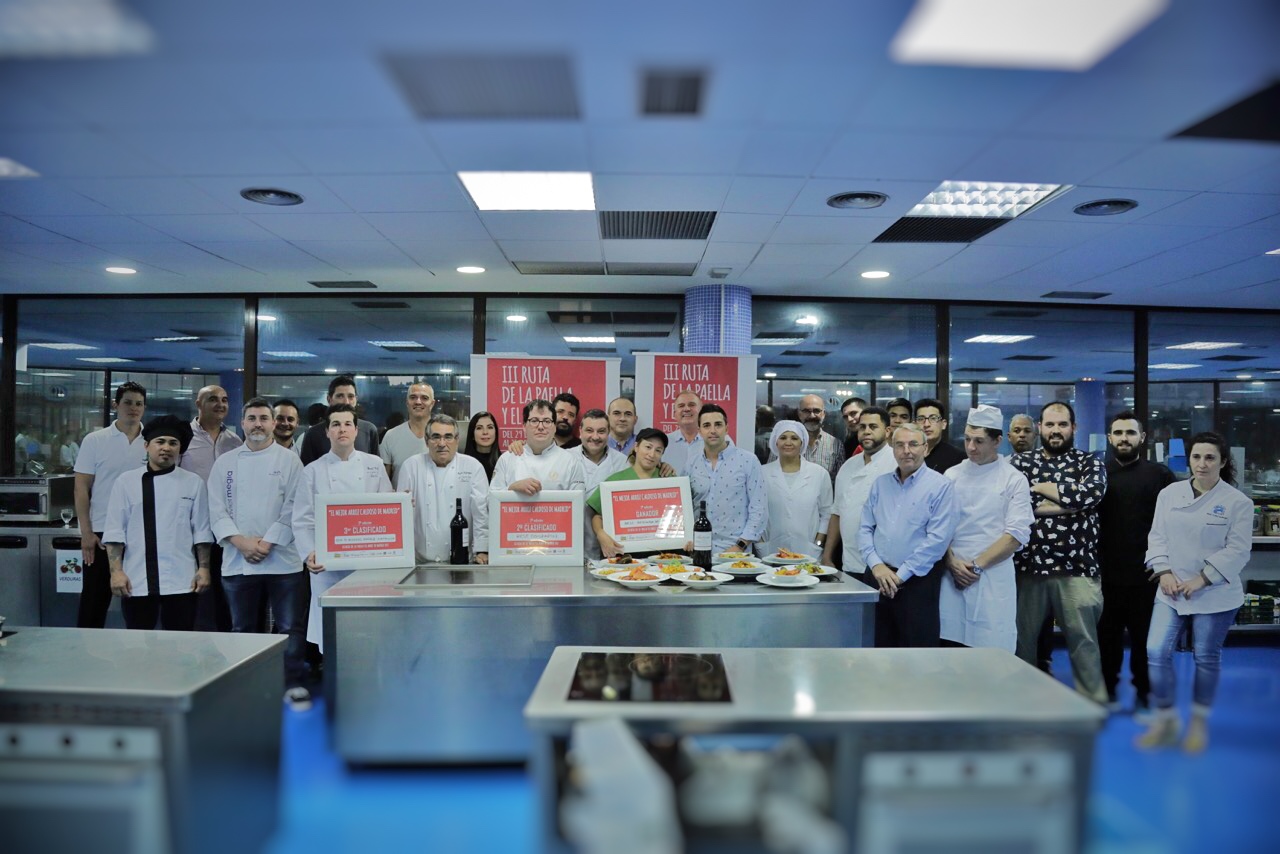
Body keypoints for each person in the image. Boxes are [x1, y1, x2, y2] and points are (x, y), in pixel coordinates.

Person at [1138, 431, 1252, 753]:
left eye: (1210, 457)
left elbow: (1238, 551)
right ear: (1188, 459)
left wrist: (1202, 579)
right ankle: (1166, 719)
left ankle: (1199, 723)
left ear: (1223, 461)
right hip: (1171, 589)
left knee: (1205, 657)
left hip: (1214, 594)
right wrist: (1163, 572)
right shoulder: (1169, 494)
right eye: (1196, 457)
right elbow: (1157, 537)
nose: (1202, 464)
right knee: (1155, 651)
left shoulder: (1238, 503)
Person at [207, 398, 308, 704]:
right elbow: (215, 509)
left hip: (283, 560)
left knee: (290, 627)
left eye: (264, 418)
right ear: (242, 423)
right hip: (238, 559)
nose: (258, 424)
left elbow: (296, 507)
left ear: (273, 423)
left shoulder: (290, 461)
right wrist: (241, 542)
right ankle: (246, 685)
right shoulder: (225, 463)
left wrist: (268, 542)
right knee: (243, 628)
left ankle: (291, 682)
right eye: (252, 418)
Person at [1010, 401, 1109, 704]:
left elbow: (1090, 494)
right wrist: (1069, 502)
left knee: (1084, 643)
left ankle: (1093, 704)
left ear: (1073, 428)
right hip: (1028, 568)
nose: (1056, 430)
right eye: (1050, 424)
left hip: (1077, 568)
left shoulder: (1089, 463)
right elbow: (1016, 504)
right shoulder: (1018, 463)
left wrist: (1041, 488)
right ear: (1040, 427)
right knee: (1022, 643)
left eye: (1062, 424)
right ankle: (1022, 704)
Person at [293, 404, 393, 654]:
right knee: (332, 634)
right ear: (327, 431)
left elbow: (387, 507)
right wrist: (309, 553)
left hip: (368, 565)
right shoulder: (312, 470)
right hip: (328, 566)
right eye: (336, 424)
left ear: (356, 430)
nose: (342, 429)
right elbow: (302, 519)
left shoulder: (374, 464)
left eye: (348, 424)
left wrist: (401, 503)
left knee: (368, 631)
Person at [103, 415, 213, 631]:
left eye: (173, 443)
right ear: (146, 446)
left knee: (181, 642)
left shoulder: (193, 483)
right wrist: (116, 572)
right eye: (160, 442)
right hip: (136, 579)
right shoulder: (126, 482)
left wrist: (204, 568)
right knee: (137, 643)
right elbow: (115, 531)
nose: (166, 448)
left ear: (180, 449)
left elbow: (201, 531)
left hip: (182, 579)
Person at [1098, 411, 1175, 716]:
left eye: (1130, 433)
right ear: (1109, 438)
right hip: (1105, 575)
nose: (1124, 438)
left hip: (1147, 576)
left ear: (1142, 438)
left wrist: (1165, 566)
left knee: (1144, 642)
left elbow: (1172, 523)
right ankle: (1107, 692)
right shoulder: (1098, 474)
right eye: (1118, 433)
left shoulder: (1160, 475)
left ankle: (1143, 695)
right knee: (1107, 641)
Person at [939, 405, 1033, 652]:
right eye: (967, 439)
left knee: (992, 653)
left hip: (992, 576)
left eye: (979, 441)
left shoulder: (1013, 479)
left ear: (997, 441)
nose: (971, 447)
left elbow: (1016, 535)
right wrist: (951, 562)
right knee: (950, 649)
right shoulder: (951, 475)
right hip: (952, 574)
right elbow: (938, 527)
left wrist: (976, 566)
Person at [859, 422, 957, 648]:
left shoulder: (941, 486)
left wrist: (899, 576)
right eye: (900, 445)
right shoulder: (880, 484)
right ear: (892, 449)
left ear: (925, 448)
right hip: (877, 577)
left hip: (916, 582)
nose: (906, 451)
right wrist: (876, 566)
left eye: (913, 444)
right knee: (876, 648)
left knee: (916, 651)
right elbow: (864, 528)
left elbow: (937, 541)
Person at [74, 381, 148, 628]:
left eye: (139, 404)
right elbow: (81, 488)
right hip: (101, 533)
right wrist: (86, 533)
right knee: (94, 602)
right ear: (116, 405)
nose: (133, 408)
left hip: (140, 533)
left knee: (138, 602)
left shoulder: (152, 441)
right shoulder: (96, 440)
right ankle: (85, 648)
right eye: (128, 402)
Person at [179, 384, 242, 633]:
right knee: (194, 592)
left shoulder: (235, 441)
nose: (220, 404)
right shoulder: (183, 437)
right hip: (191, 527)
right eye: (213, 399)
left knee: (224, 593)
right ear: (198, 404)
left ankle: (226, 641)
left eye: (224, 400)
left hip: (226, 528)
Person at [396, 414, 489, 564]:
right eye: (436, 437)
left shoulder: (472, 466)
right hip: (419, 561)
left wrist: (482, 550)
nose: (442, 443)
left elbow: (481, 512)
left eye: (448, 437)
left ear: (457, 440)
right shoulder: (411, 466)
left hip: (462, 560)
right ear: (426, 441)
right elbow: (402, 516)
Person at [820, 407, 896, 576]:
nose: (866, 431)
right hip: (850, 561)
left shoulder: (896, 463)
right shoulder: (848, 465)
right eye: (862, 427)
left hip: (885, 565)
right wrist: (827, 555)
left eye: (873, 427)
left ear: (888, 431)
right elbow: (837, 512)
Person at [686, 404, 766, 556]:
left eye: (718, 424)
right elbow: (684, 507)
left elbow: (759, 508)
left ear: (727, 428)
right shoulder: (691, 464)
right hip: (698, 550)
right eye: (706, 425)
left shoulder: (748, 461)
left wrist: (740, 545)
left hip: (736, 553)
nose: (713, 430)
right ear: (699, 431)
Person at [588, 428, 671, 558]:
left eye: (658, 450)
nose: (652, 454)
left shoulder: (670, 480)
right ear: (636, 447)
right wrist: (600, 534)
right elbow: (597, 516)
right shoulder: (615, 481)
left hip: (663, 555)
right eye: (648, 447)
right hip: (624, 554)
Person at [758, 420, 833, 559]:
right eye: (783, 438)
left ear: (802, 443)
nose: (788, 442)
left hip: (808, 550)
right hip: (771, 549)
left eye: (794, 438)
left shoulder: (819, 474)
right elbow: (755, 511)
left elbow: (826, 513)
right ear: (775, 442)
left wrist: (817, 543)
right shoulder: (762, 473)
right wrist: (761, 542)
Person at [489, 399, 586, 495]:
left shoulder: (570, 462)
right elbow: (492, 499)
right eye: (534, 421)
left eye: (547, 421)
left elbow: (578, 501)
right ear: (524, 426)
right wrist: (511, 488)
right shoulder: (507, 459)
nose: (540, 427)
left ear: (554, 427)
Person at [298, 375, 381, 464]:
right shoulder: (313, 434)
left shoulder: (369, 430)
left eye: (351, 396)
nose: (346, 402)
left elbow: (375, 466)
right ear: (329, 399)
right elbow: (307, 469)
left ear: (356, 399)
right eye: (340, 396)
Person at [772, 394, 845, 483]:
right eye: (806, 411)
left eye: (816, 411)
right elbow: (770, 475)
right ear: (799, 414)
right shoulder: (783, 443)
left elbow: (840, 482)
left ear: (824, 414)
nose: (812, 416)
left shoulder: (836, 444)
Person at [380, 382, 436, 482]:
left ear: (432, 404)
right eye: (413, 397)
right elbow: (384, 481)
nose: (418, 402)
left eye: (424, 398)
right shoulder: (391, 436)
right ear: (407, 402)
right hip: (400, 493)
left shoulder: (443, 437)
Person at [915, 398, 965, 474]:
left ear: (943, 424)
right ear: (914, 424)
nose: (926, 424)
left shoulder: (958, 458)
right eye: (921, 419)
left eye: (933, 418)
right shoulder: (908, 453)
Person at [662, 389, 704, 475]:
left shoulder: (716, 441)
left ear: (701, 411)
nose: (687, 409)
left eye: (692, 405)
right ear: (674, 414)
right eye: (681, 406)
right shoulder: (664, 442)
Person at [463, 411, 501, 482]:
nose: (485, 432)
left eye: (490, 427)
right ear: (472, 434)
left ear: (496, 432)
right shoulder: (463, 463)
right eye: (479, 428)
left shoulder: (504, 461)